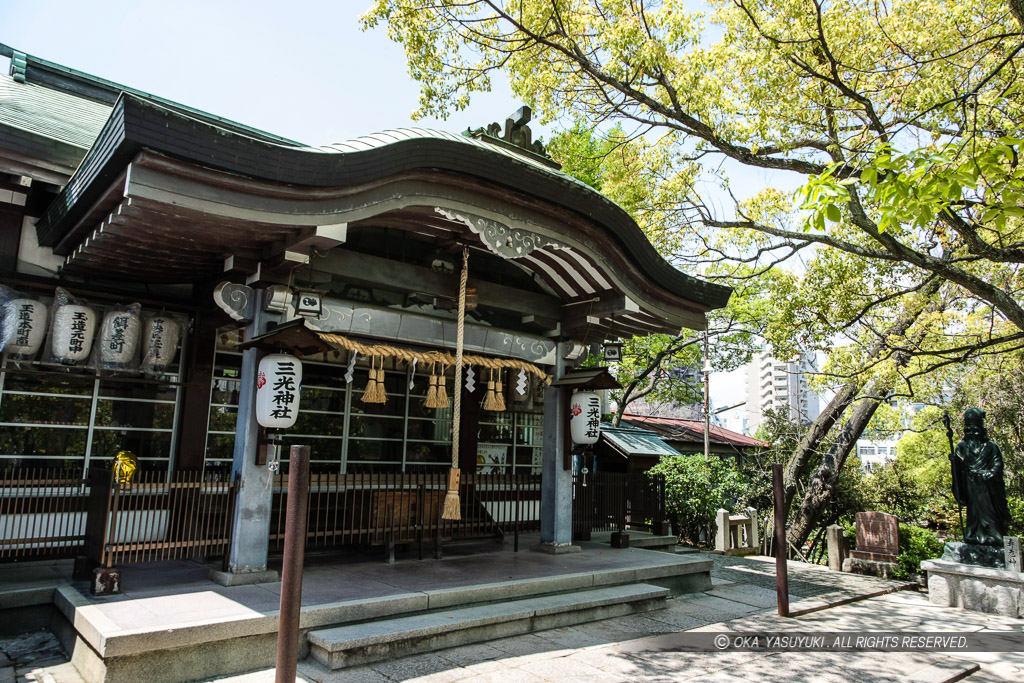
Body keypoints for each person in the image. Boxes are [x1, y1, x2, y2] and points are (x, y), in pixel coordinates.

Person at [951, 408, 1012, 546]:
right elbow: (958, 469)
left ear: (982, 428)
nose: (972, 432)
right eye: (969, 429)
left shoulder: (991, 447)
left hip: (988, 488)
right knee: (973, 514)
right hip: (971, 485)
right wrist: (954, 462)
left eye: (975, 429)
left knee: (990, 514)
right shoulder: (962, 446)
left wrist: (989, 474)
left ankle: (995, 536)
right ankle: (972, 534)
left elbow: (998, 464)